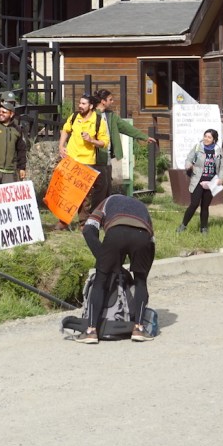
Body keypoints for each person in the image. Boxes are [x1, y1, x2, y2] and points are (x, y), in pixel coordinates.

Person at [72, 194, 156, 344]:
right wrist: (143, 273)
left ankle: (91, 331)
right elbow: (151, 243)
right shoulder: (142, 207)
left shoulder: (107, 201)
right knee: (141, 282)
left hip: (116, 232)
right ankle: (139, 329)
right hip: (142, 236)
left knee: (100, 280)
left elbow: (88, 230)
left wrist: (103, 261)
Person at [57, 94, 110, 225]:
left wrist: (91, 140)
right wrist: (61, 146)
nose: (80, 106)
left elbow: (105, 142)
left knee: (84, 195)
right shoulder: (74, 116)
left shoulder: (98, 121)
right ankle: (63, 221)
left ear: (91, 106)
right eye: (80, 103)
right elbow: (65, 130)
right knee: (67, 191)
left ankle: (83, 222)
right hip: (71, 159)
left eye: (83, 104)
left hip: (87, 161)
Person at [95, 89, 157, 196]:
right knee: (99, 187)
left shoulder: (111, 115)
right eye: (110, 99)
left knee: (110, 186)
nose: (112, 101)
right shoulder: (92, 115)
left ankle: (108, 209)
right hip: (97, 156)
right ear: (103, 101)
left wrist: (144, 137)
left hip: (110, 155)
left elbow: (126, 127)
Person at [178, 128, 223, 234]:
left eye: (209, 137)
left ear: (214, 139)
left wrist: (221, 178)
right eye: (205, 136)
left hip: (211, 182)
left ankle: (204, 228)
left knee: (205, 206)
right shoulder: (198, 147)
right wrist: (188, 165)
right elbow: (188, 159)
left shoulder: (218, 150)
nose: (206, 139)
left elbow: (222, 166)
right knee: (194, 204)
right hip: (197, 180)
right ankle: (183, 225)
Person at [0, 99, 28, 185]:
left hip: (10, 172)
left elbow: (22, 149)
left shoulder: (17, 129)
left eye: (4, 112)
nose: (1, 113)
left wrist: (22, 167)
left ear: (11, 114)